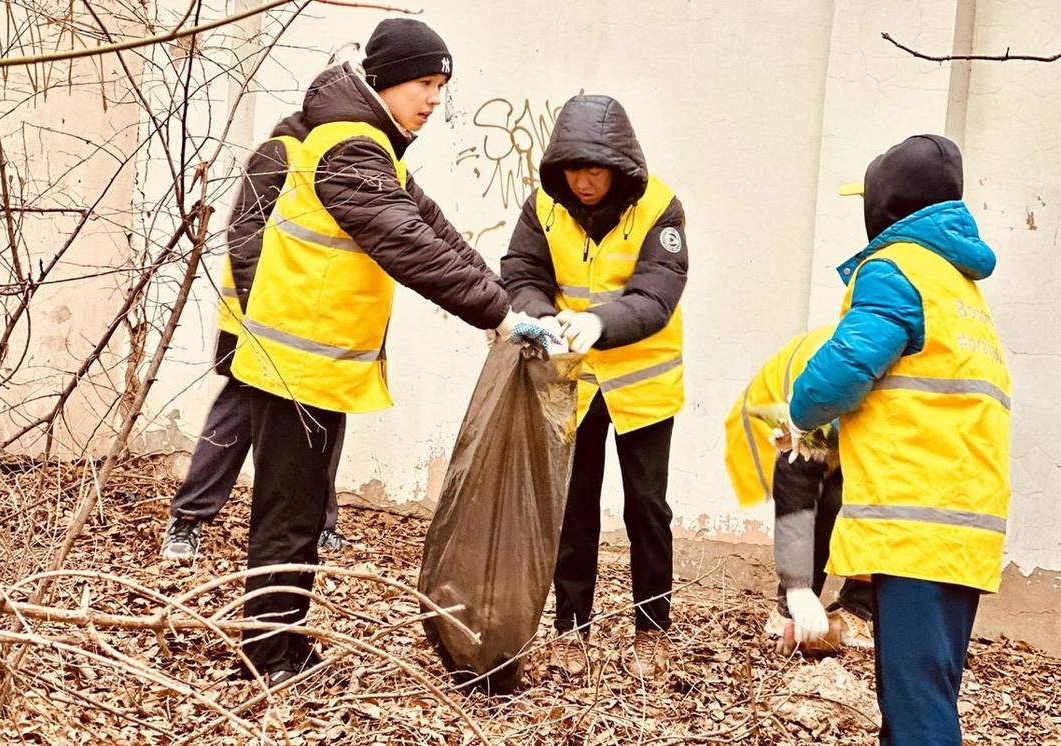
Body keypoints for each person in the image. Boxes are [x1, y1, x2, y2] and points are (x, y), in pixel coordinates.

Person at [229, 18, 551, 684]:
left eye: (441, 86)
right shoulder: (349, 146)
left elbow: (432, 229)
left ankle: (285, 645)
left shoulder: (374, 145)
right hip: (297, 368)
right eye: (423, 83)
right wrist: (496, 315)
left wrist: (508, 303)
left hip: (316, 369)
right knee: (287, 518)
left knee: (301, 513)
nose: (433, 99)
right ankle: (265, 660)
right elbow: (402, 241)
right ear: (382, 79)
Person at [789, 134, 1012, 744]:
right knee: (926, 692)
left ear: (886, 205)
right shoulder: (961, 287)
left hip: (915, 526)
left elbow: (844, 367)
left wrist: (804, 411)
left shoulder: (894, 268)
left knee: (916, 712)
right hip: (965, 529)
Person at [501, 94, 688, 679]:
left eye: (597, 169)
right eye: (575, 168)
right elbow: (522, 272)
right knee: (572, 506)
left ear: (620, 167)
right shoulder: (544, 206)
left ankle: (652, 631)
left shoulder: (661, 207)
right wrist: (540, 314)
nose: (584, 181)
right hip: (571, 381)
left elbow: (658, 295)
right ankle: (570, 630)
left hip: (642, 386)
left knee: (647, 509)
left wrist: (602, 322)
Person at [160, 114, 351, 562]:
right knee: (237, 415)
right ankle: (187, 520)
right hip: (257, 322)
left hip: (312, 329)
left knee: (315, 417)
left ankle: (321, 524)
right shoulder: (283, 150)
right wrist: (259, 313)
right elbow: (245, 234)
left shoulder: (340, 158)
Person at [724, 326, 873, 655]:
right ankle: (788, 612)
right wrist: (797, 589)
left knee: (871, 493)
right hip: (779, 423)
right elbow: (798, 487)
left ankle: (857, 608)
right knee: (827, 500)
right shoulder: (830, 384)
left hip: (831, 420)